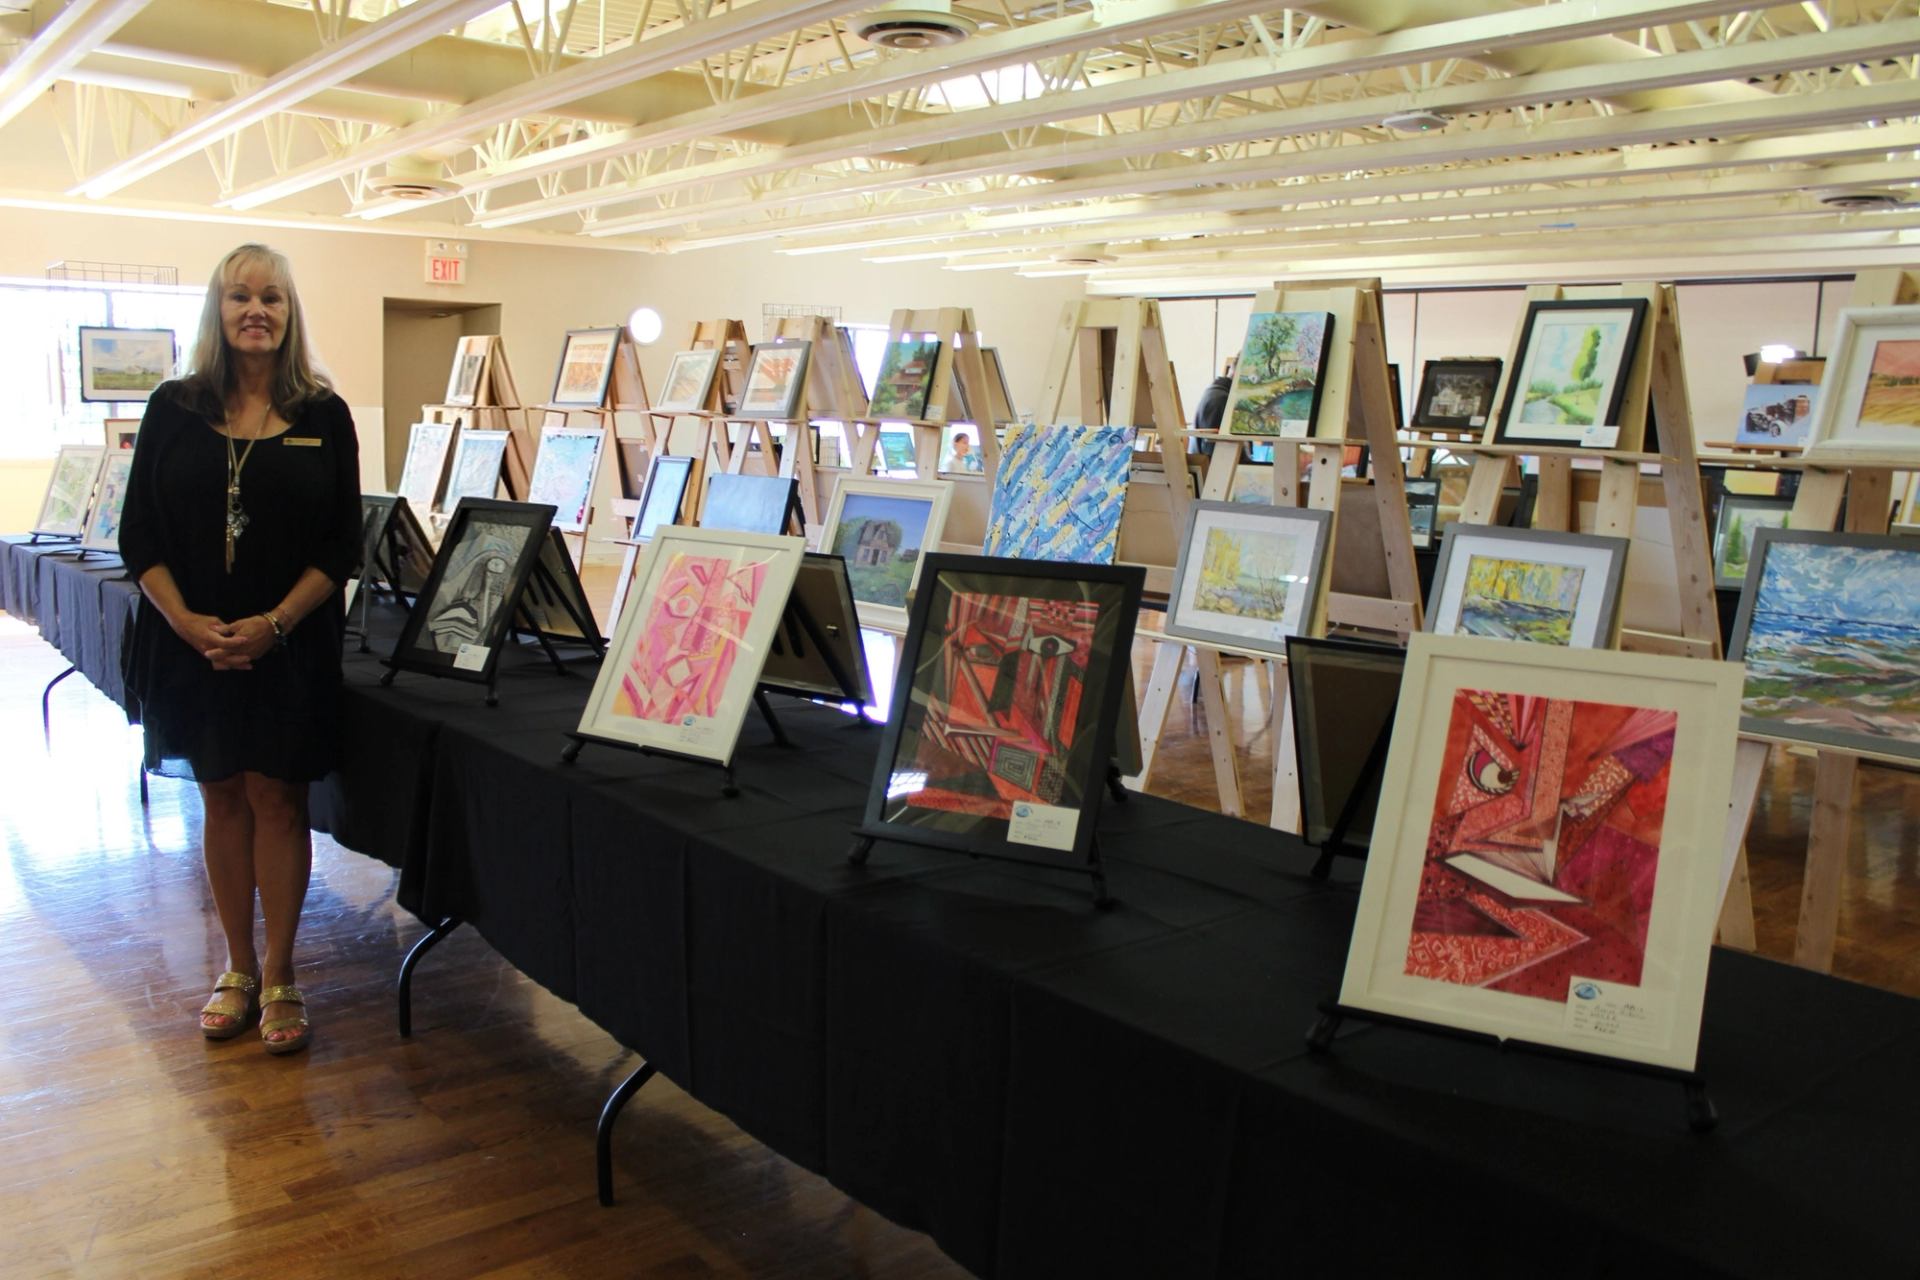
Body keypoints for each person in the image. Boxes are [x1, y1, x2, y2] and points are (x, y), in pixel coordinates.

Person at [118, 243, 360, 1056]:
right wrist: (188, 623)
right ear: (216, 312)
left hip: (289, 647)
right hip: (191, 645)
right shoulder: (172, 408)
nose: (256, 310)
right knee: (221, 797)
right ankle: (238, 966)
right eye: (239, 297)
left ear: (291, 315)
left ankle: (285, 972)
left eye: (273, 299)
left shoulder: (324, 415)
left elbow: (341, 545)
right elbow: (138, 534)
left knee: (277, 802)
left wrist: (277, 624)